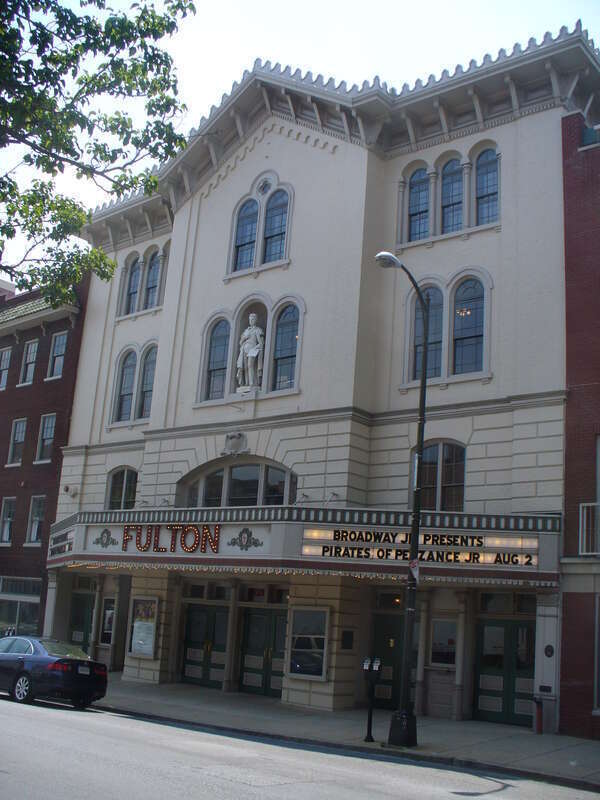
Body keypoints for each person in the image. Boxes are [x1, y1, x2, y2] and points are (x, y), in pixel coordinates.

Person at [236, 312, 264, 388]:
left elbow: (261, 343)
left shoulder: (257, 330)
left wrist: (255, 348)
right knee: (245, 367)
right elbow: (240, 342)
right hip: (244, 349)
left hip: (253, 349)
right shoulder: (246, 331)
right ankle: (246, 383)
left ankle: (252, 383)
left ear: (256, 320)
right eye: (250, 319)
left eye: (253, 319)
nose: (251, 320)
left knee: (250, 365)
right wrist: (245, 338)